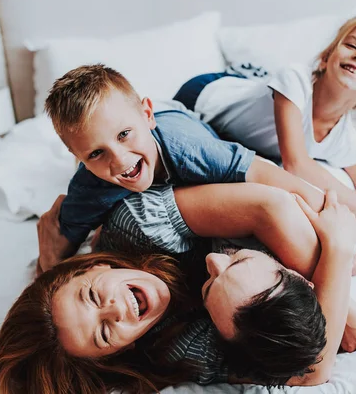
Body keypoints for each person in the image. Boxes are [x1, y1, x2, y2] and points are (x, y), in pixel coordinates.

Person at [0, 185, 356, 394]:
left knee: (350, 205)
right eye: (103, 332)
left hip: (229, 173)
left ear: (99, 265)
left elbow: (267, 206)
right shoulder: (175, 349)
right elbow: (309, 370)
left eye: (94, 296)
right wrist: (339, 254)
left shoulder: (136, 227)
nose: (115, 309)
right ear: (120, 350)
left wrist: (330, 297)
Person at [173, 13, 356, 275]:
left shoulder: (344, 137)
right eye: (352, 45)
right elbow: (295, 164)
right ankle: (248, 73)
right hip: (206, 94)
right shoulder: (295, 81)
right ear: (326, 57)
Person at [39, 64, 328, 273]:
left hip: (194, 102)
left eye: (124, 135)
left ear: (147, 116)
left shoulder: (189, 148)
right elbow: (57, 248)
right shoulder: (87, 188)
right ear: (78, 156)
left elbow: (266, 174)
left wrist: (327, 223)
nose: (119, 160)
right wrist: (49, 265)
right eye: (96, 153)